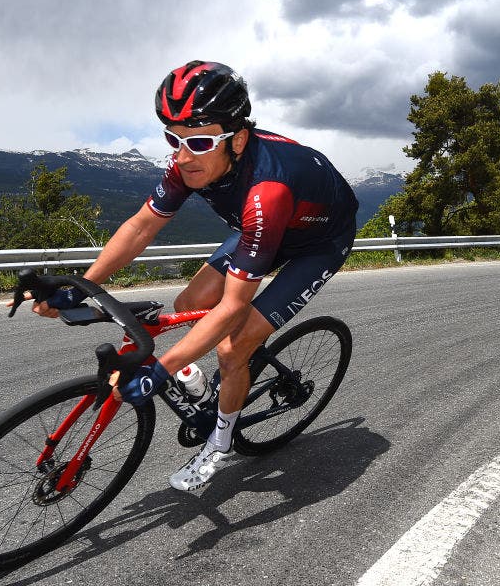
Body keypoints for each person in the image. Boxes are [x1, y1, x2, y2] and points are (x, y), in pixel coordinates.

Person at [28, 60, 358, 491]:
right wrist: (82, 285)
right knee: (188, 304)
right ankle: (219, 379)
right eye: (174, 139)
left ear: (237, 139)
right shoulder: (192, 163)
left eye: (199, 142)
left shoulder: (267, 192)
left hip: (318, 243)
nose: (183, 157)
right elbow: (141, 227)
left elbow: (233, 306)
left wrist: (161, 370)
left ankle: (220, 443)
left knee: (232, 347)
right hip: (262, 230)